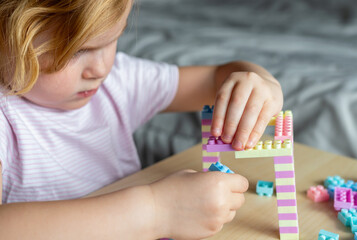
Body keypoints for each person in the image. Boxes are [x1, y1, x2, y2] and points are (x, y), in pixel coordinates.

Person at [0, 0, 283, 239]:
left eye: (111, 40)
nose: (99, 69)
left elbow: (214, 79)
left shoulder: (119, 81)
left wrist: (261, 83)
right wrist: (155, 210)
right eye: (77, 51)